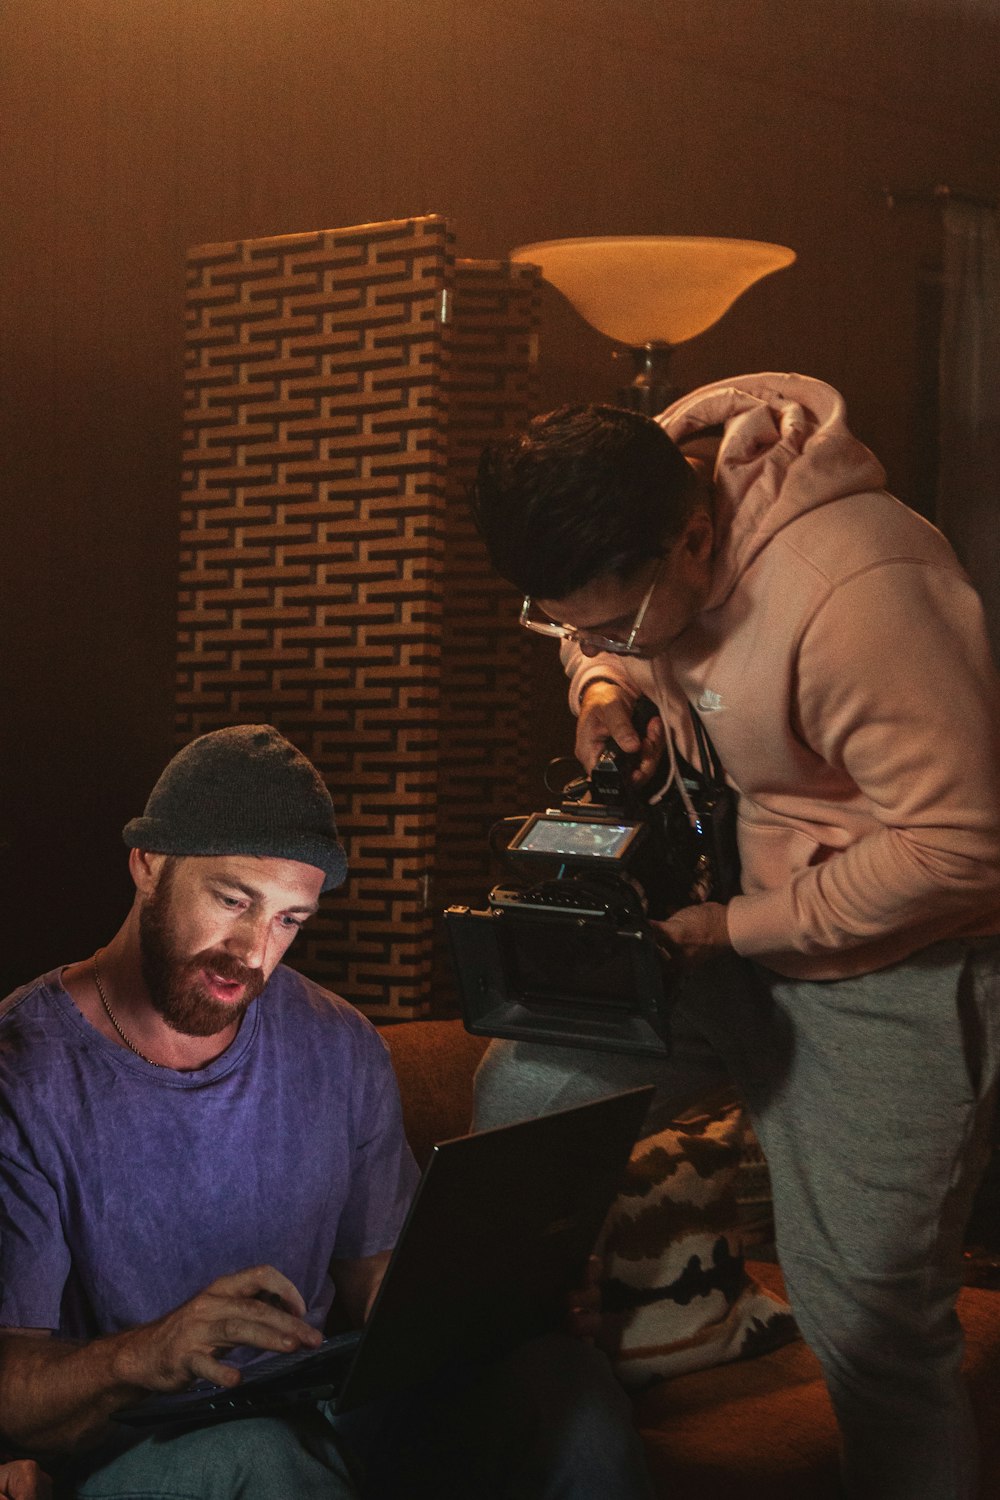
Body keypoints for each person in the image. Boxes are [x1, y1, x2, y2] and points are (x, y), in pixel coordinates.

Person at [469, 375, 1000, 1500]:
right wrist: (605, 678)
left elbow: (963, 846)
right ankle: (524, 1409)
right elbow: (605, 630)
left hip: (888, 973)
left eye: (605, 621)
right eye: (558, 620)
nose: (580, 638)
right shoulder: (643, 509)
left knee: (872, 1335)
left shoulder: (862, 594)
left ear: (697, 538)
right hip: (719, 937)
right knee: (523, 1096)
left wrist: (741, 924)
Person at [0, 724, 653, 1500]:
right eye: (233, 899)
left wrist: (503, 1303)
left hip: (316, 1408)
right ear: (148, 863)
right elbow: (13, 1390)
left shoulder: (340, 1043)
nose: (254, 952)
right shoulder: (24, 1070)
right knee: (263, 1460)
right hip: (143, 1445)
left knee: (561, 1385)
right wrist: (149, 1353)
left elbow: (379, 1276)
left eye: (288, 920)